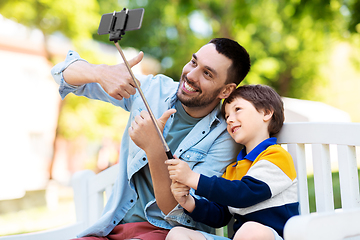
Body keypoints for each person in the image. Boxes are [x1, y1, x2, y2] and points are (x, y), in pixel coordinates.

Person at [51, 38, 251, 239]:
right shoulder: (153, 91)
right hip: (114, 226)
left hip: (168, 231)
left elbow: (178, 211)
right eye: (193, 62)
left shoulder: (224, 137)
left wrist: (154, 147)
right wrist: (100, 73)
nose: (191, 75)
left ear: (225, 90)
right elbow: (61, 75)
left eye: (207, 73)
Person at [165, 85, 299, 240]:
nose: (229, 119)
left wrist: (192, 178)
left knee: (250, 231)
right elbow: (220, 216)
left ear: (266, 112)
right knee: (178, 234)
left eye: (237, 109)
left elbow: (243, 194)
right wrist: (188, 202)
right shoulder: (233, 170)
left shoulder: (276, 156)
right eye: (226, 115)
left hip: (273, 236)